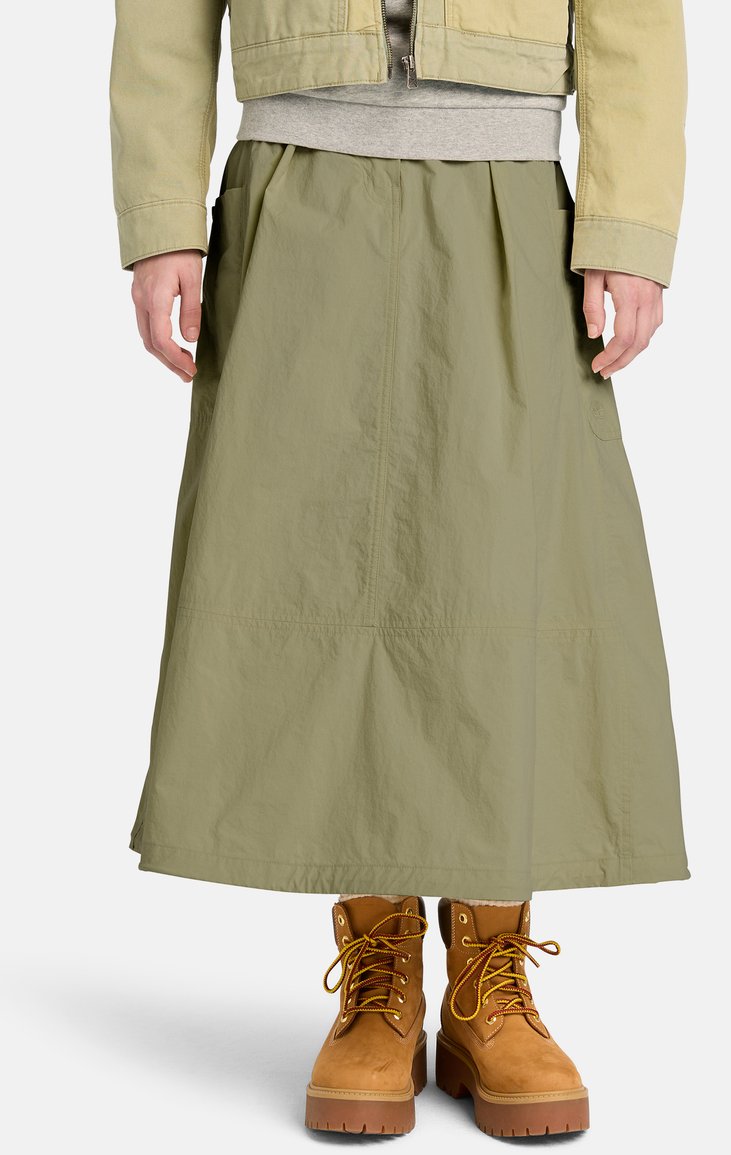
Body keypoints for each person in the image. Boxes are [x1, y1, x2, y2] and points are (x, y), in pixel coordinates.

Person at [110, 0, 689, 1137]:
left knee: (504, 583)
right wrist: (161, 214)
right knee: (317, 582)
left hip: (507, 189)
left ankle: (487, 983)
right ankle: (379, 975)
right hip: (296, 181)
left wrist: (628, 221)